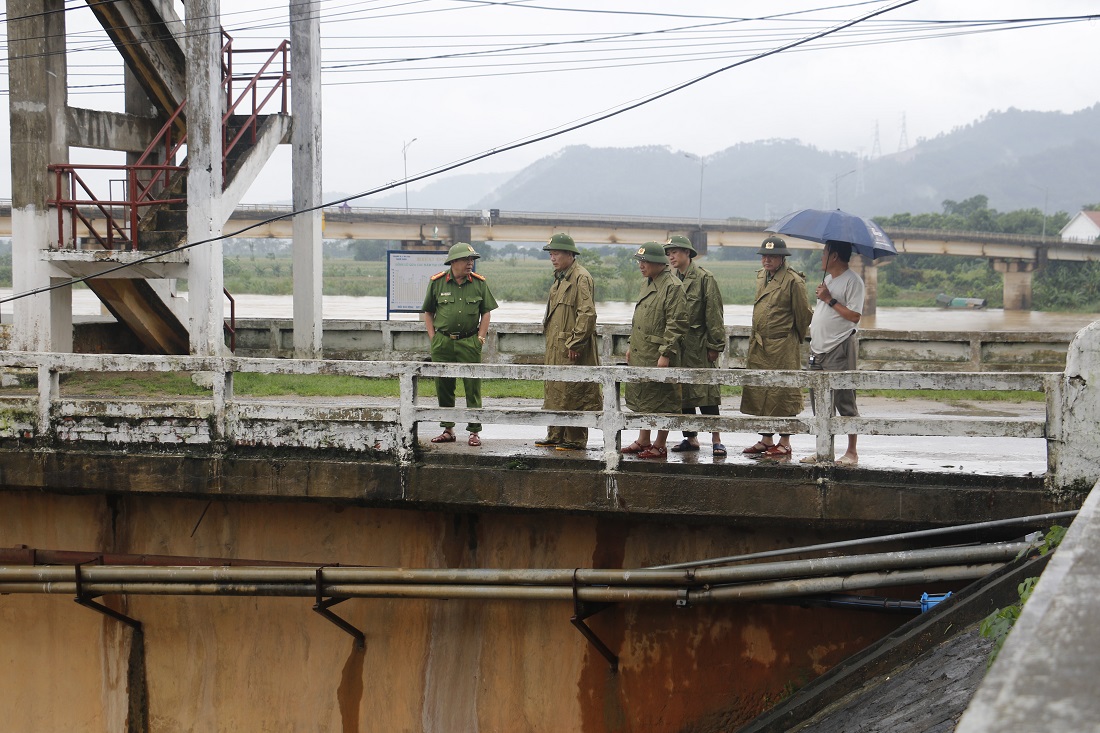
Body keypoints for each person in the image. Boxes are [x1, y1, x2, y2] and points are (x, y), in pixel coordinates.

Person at [740, 236, 812, 460]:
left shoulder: (793, 281)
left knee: (783, 393)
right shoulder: (762, 276)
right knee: (761, 392)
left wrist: (791, 338)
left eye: (772, 256)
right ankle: (766, 439)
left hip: (782, 345)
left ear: (782, 258)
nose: (767, 260)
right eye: (764, 256)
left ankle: (785, 442)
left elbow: (803, 315)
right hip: (760, 345)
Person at [421, 242, 499, 447]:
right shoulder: (437, 282)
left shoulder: (479, 283)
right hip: (443, 342)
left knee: (472, 386)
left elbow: (487, 312)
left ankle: (474, 432)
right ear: (454, 261)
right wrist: (433, 337)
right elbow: (428, 312)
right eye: (466, 259)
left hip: (469, 341)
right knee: (444, 386)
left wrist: (480, 338)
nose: (470, 263)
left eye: (472, 260)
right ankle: (448, 429)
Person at [621, 241, 689, 460]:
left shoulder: (672, 286)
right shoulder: (648, 283)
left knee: (663, 398)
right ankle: (643, 439)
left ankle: (660, 444)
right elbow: (639, 318)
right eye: (640, 261)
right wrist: (631, 345)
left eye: (646, 261)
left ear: (659, 263)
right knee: (644, 397)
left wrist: (665, 353)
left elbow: (676, 322)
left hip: (659, 352)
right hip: (642, 350)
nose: (641, 265)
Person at [801, 240, 865, 466]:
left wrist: (829, 299)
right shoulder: (828, 279)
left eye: (824, 253)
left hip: (839, 347)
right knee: (819, 403)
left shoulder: (853, 281)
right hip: (818, 349)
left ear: (834, 256)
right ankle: (823, 450)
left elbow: (855, 316)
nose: (821, 257)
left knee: (845, 400)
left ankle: (851, 452)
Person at [536, 233, 602, 451]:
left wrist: (576, 343)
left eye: (556, 253)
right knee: (556, 389)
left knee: (575, 391)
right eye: (551, 254)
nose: (552, 258)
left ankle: (575, 439)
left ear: (569, 254)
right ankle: (555, 434)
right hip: (556, 345)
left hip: (571, 346)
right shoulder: (560, 277)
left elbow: (587, 314)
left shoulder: (581, 278)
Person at [663, 235, 727, 456]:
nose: (671, 256)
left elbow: (714, 314)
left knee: (706, 393)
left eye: (676, 252)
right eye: (669, 253)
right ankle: (690, 438)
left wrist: (715, 345)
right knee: (682, 393)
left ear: (688, 253)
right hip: (679, 346)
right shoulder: (671, 280)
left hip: (699, 344)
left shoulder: (703, 278)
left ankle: (717, 439)